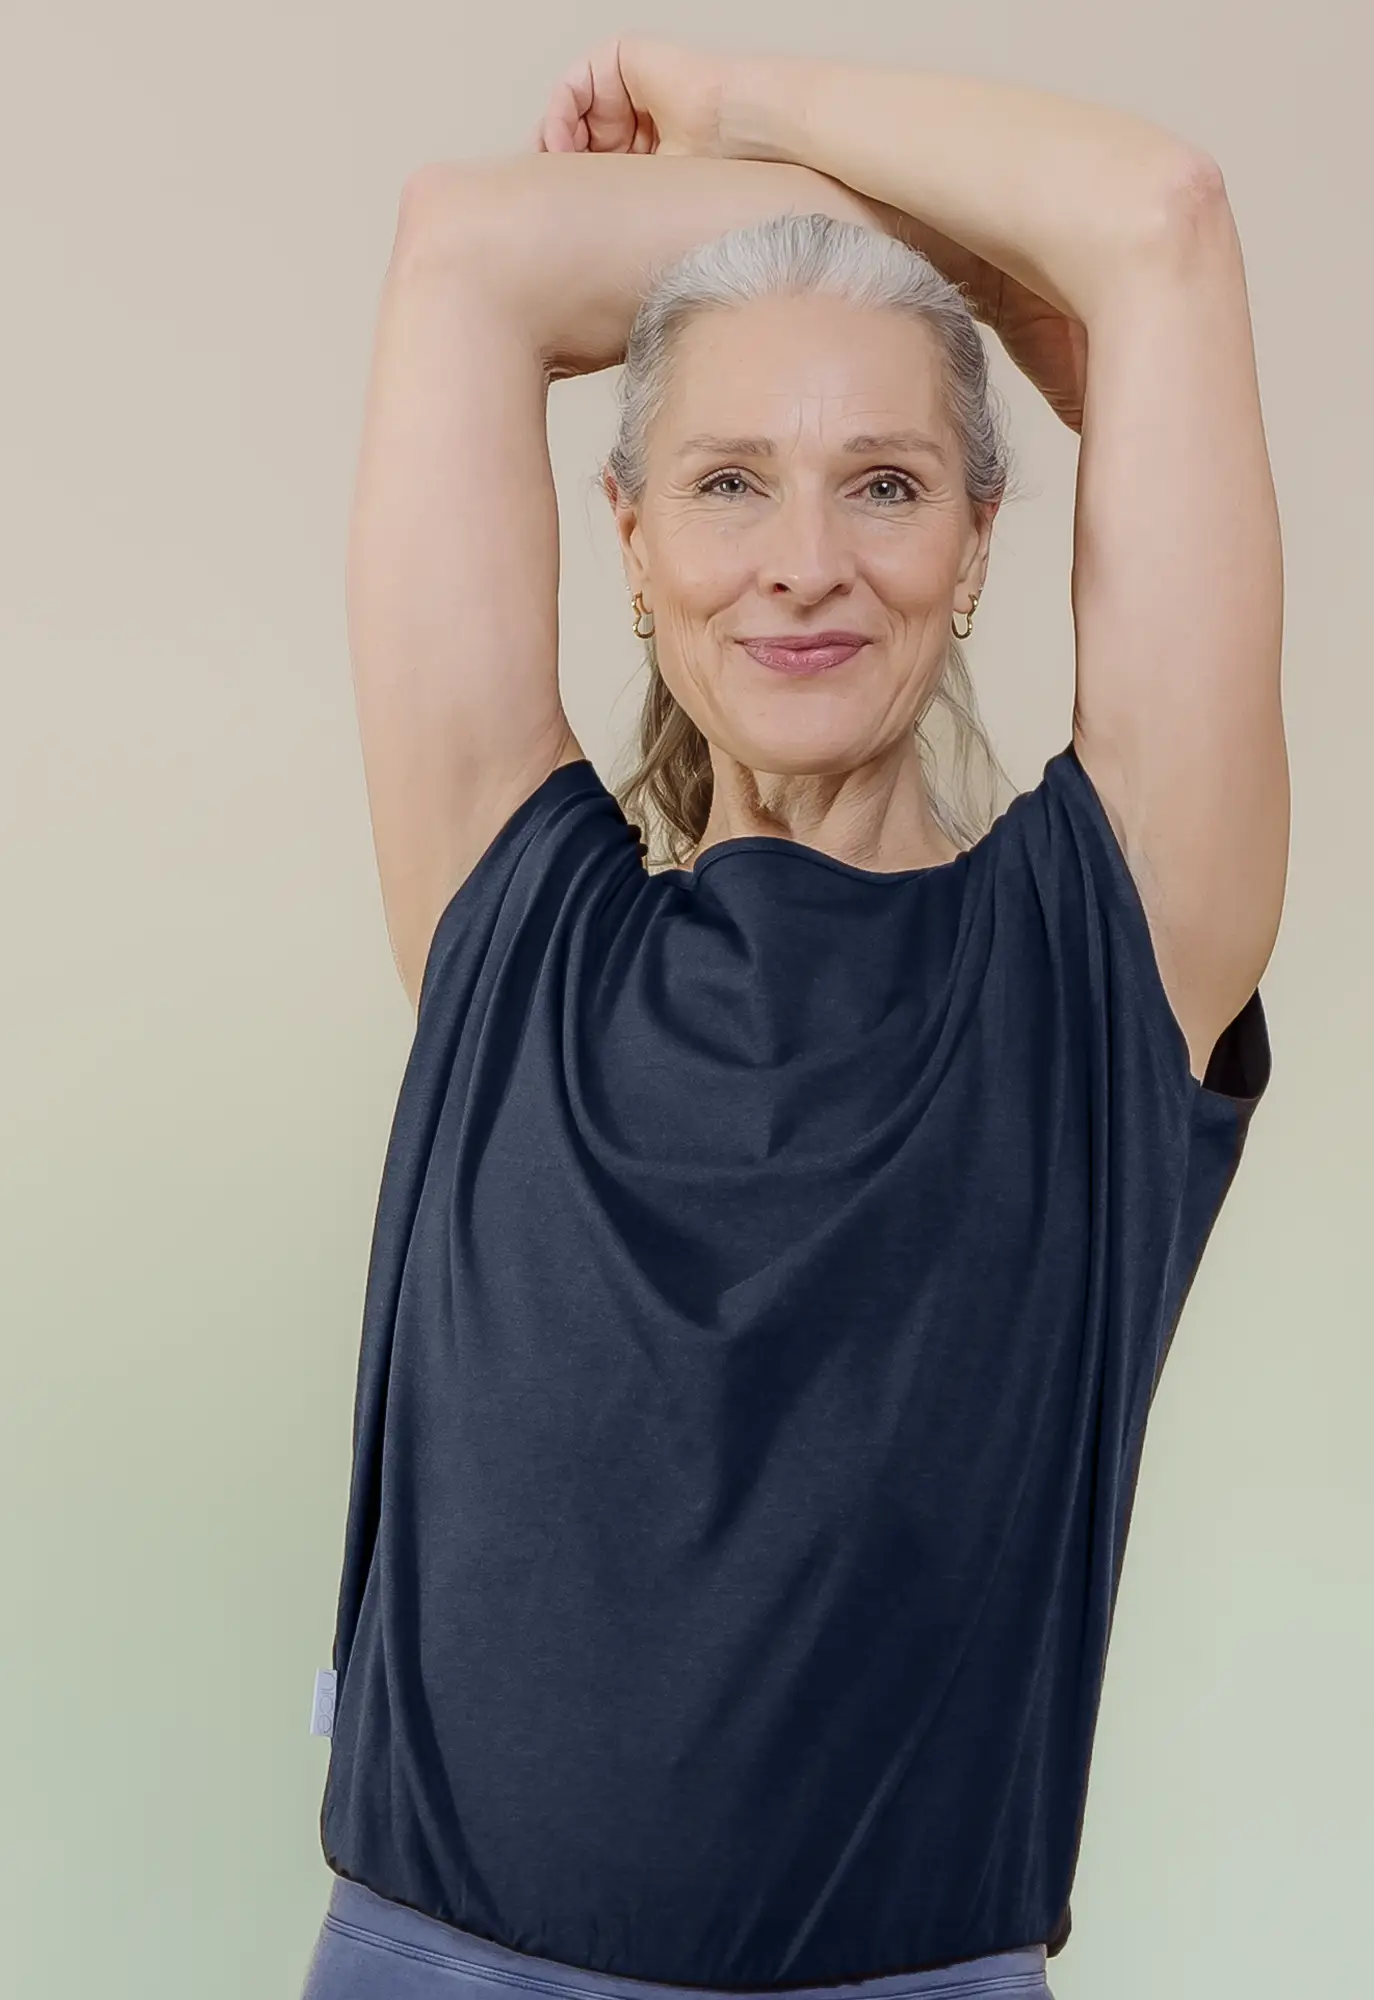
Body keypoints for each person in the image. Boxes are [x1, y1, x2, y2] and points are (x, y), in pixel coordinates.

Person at [300, 36, 1286, 2000]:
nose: (805, 564)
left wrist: (737, 109)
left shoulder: (1102, 964)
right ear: (635, 539)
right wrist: (913, 266)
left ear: (983, 538)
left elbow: (1159, 228)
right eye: (731, 479)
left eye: (889, 481)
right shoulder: (517, 927)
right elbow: (469, 246)